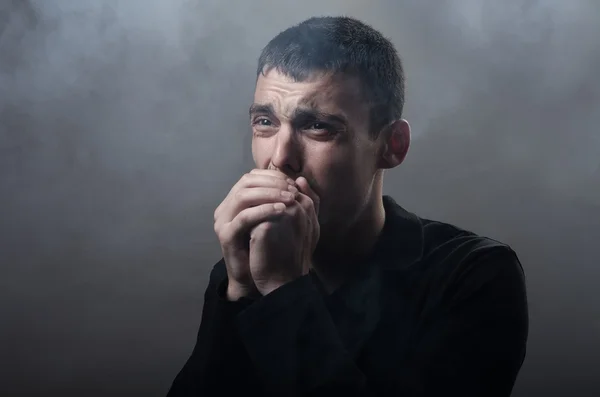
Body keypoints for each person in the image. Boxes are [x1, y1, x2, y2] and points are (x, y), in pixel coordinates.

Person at [166, 16, 528, 397]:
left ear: (392, 145)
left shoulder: (474, 274)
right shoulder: (243, 269)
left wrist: (282, 290)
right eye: (265, 122)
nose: (279, 158)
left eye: (318, 126)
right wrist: (240, 292)